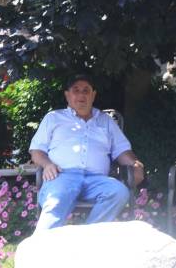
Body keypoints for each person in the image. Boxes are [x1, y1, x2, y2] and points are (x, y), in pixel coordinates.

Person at [29, 74, 145, 230]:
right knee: (56, 200)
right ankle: (41, 248)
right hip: (62, 176)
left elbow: (122, 150)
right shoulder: (53, 118)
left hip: (97, 180)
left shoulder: (106, 121)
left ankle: (89, 239)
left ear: (93, 95)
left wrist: (135, 164)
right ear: (67, 95)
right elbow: (37, 150)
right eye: (76, 90)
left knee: (118, 192)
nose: (81, 95)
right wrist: (47, 164)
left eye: (86, 90)